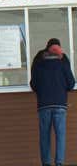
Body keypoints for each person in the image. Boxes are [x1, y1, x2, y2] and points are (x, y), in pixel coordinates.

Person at [30, 38, 76, 166]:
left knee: (45, 136)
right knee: (60, 136)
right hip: (60, 104)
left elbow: (33, 84)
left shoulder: (39, 61)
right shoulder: (63, 61)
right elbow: (71, 84)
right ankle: (59, 163)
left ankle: (46, 163)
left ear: (47, 48)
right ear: (59, 48)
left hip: (44, 105)